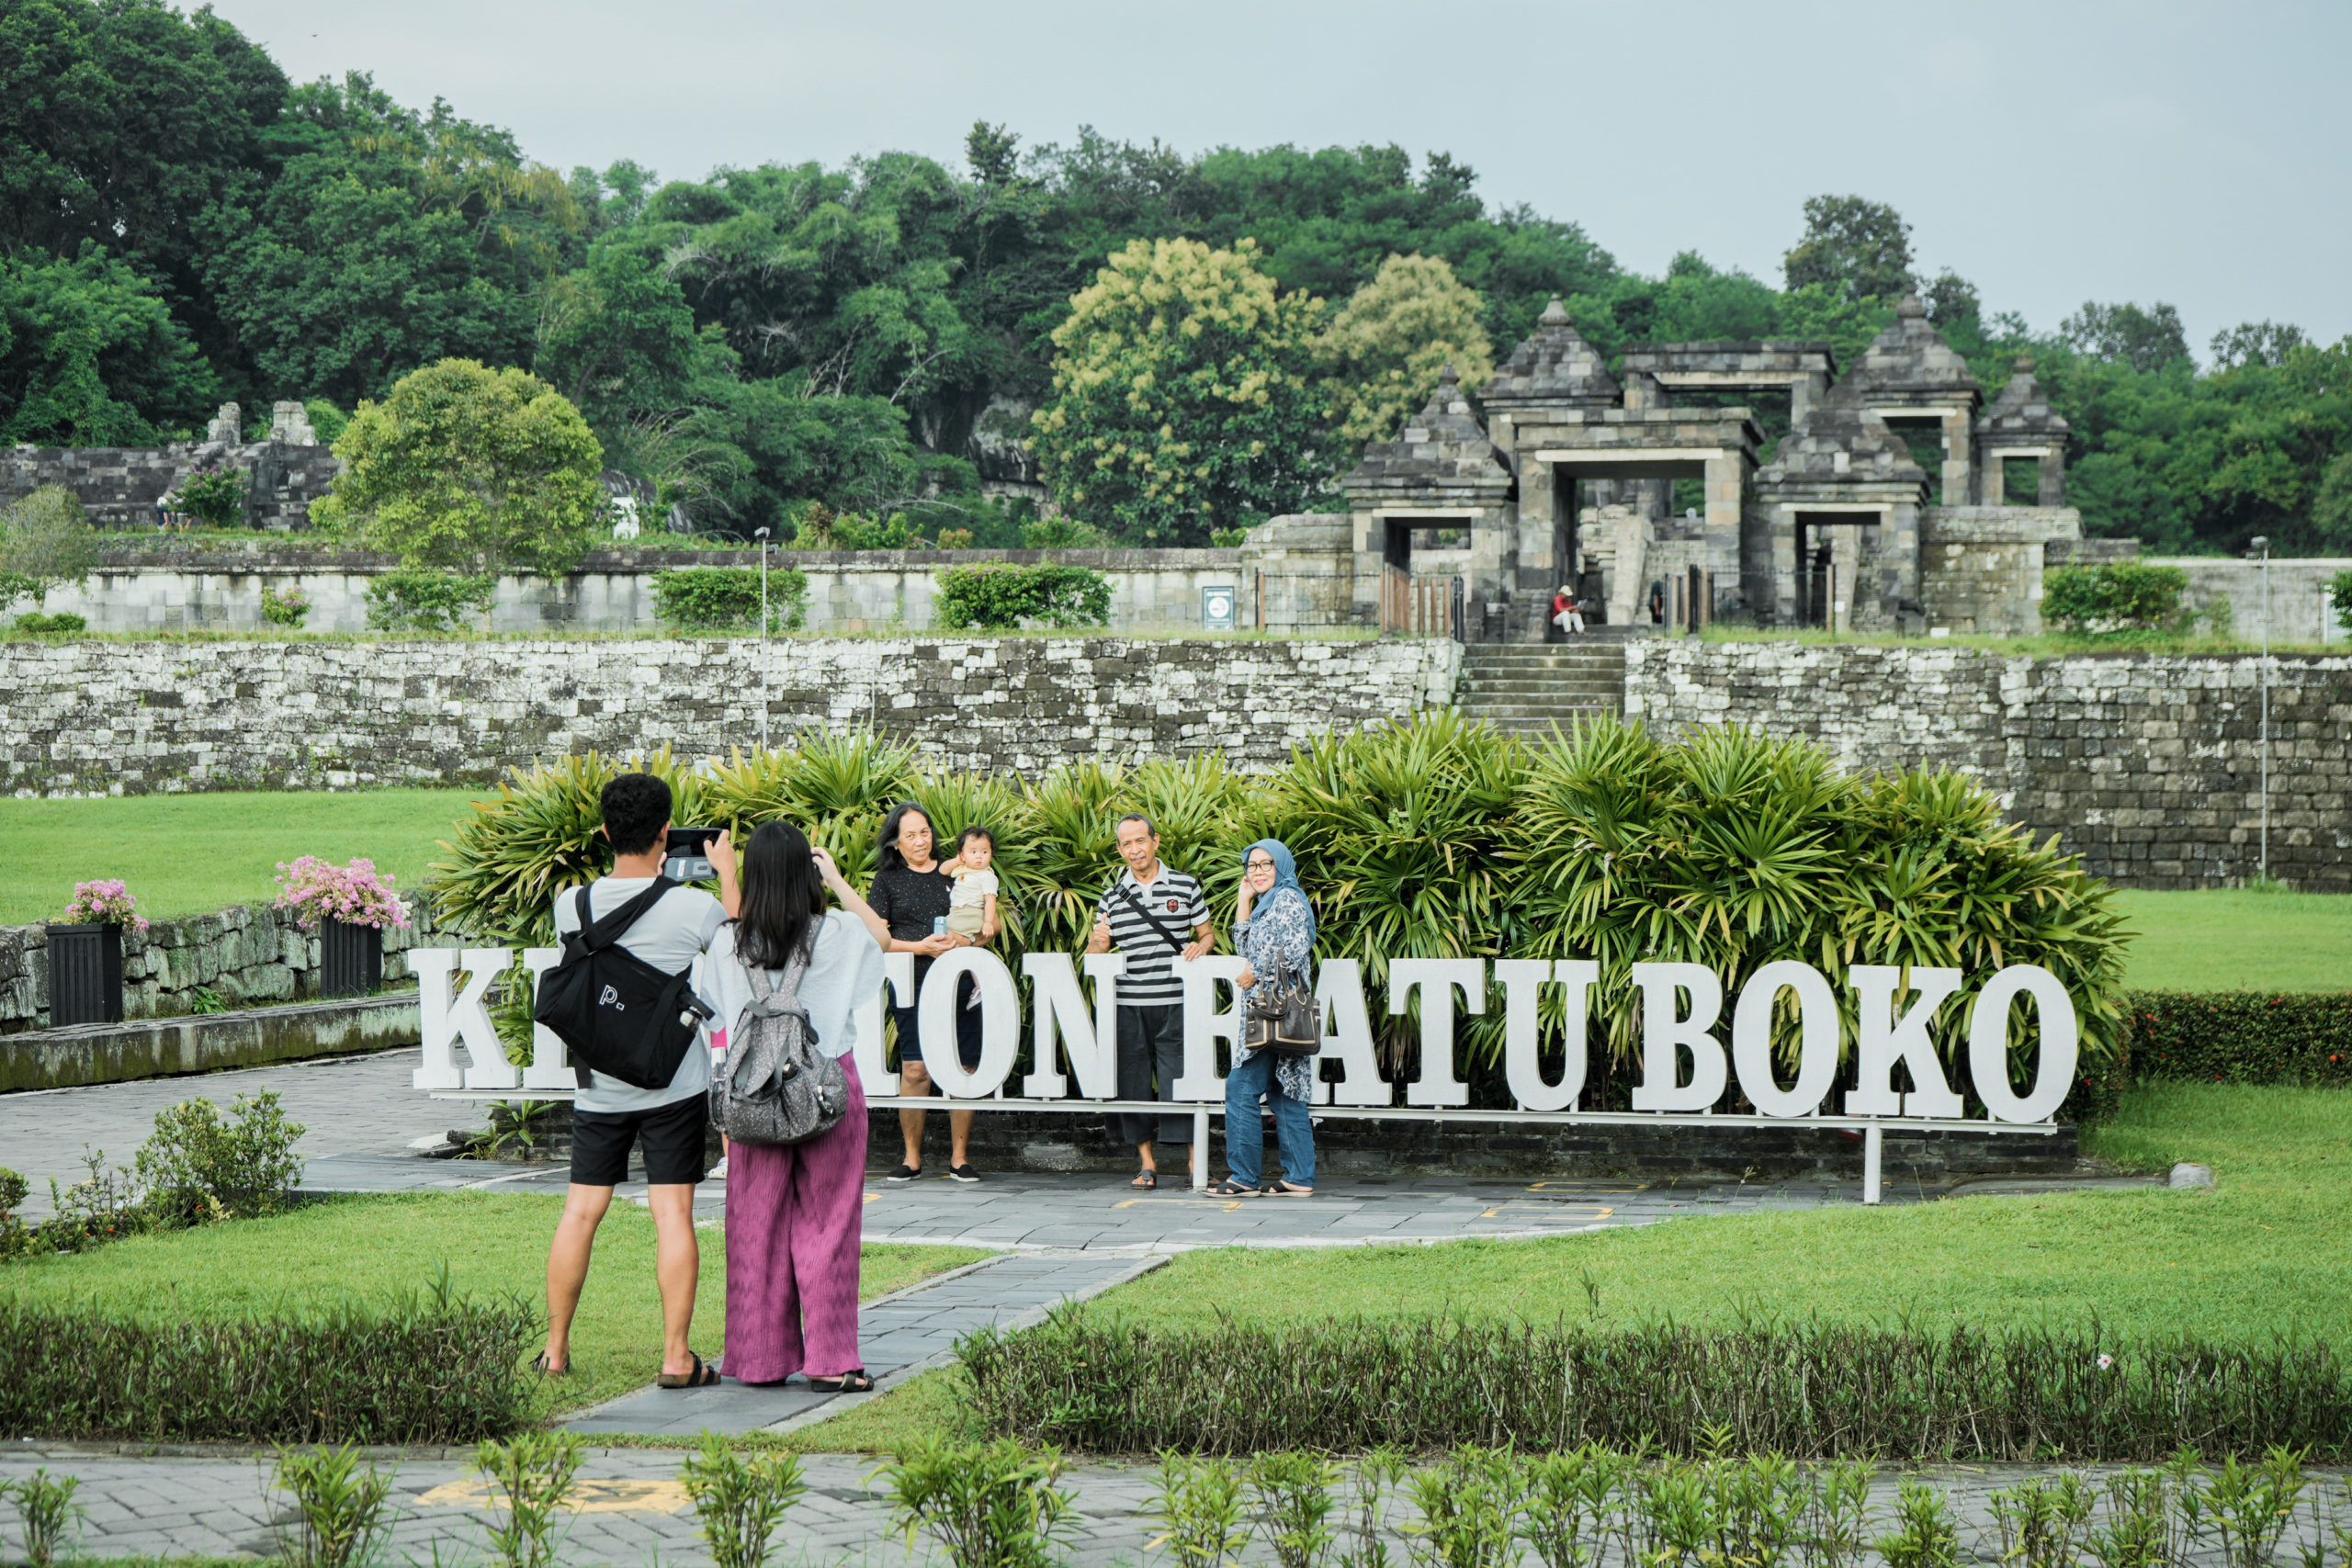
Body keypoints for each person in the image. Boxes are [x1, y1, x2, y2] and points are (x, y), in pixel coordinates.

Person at [539, 773, 738, 1388]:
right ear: (666, 833)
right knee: (672, 1212)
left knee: (579, 1212)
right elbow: (741, 943)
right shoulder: (693, 906)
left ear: (604, 831)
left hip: (598, 1083)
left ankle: (554, 1348)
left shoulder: (569, 905)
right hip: (671, 1081)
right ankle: (677, 1355)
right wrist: (727, 871)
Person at [704, 822, 890, 1392]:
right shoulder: (838, 933)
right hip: (828, 1088)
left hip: (754, 1097)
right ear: (809, 875)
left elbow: (717, 1017)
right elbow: (881, 939)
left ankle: (759, 1359)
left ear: (753, 876)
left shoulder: (727, 943)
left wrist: (725, 876)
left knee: (753, 1221)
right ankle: (832, 1361)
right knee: (830, 1221)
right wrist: (834, 878)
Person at [1085, 813, 1214, 1189]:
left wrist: (1199, 946)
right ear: (1119, 850)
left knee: (1183, 1080)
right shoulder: (1111, 896)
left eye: (1140, 840)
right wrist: (1098, 940)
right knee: (1133, 1081)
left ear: (1155, 842)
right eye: (1126, 844)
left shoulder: (1186, 886)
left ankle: (1194, 1162)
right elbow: (1095, 954)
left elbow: (1208, 935)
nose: (1134, 849)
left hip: (1177, 1001)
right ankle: (1146, 1164)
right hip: (1128, 1003)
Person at [866, 802, 982, 1182]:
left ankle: (959, 1159)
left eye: (925, 831)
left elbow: (984, 926)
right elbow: (876, 939)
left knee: (963, 1068)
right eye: (910, 835)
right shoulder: (887, 881)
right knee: (915, 1070)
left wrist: (967, 938)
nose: (920, 840)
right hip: (911, 985)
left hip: (961, 983)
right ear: (895, 844)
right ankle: (912, 1158)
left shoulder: (959, 874)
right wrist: (920, 947)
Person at [1209, 840, 1318, 1197]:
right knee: (1284, 1094)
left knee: (1240, 1088)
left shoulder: (1287, 899)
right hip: (1271, 1014)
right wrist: (1244, 901)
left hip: (1275, 1012)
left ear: (1282, 865)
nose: (1257, 871)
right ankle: (1299, 1178)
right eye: (1251, 866)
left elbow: (1296, 947)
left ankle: (1243, 1178)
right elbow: (1245, 946)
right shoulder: (1267, 904)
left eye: (1265, 864)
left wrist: (1257, 973)